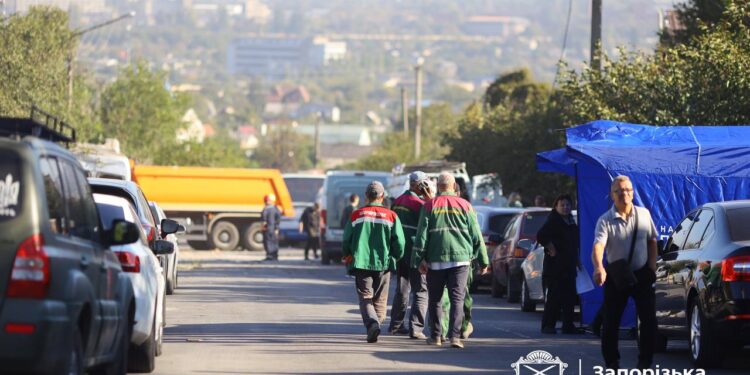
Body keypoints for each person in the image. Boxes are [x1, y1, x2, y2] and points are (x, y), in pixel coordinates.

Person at [412, 172, 489, 349]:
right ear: (454, 186)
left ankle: (436, 336)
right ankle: (455, 337)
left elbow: (421, 236)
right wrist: (484, 261)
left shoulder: (430, 205)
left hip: (436, 260)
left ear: (438, 187)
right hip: (461, 261)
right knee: (457, 299)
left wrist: (418, 259)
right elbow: (476, 235)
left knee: (435, 299)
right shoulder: (466, 205)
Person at [592, 175, 658, 370]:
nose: (624, 194)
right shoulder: (605, 220)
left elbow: (652, 241)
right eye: (619, 191)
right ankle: (612, 362)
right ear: (612, 195)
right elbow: (598, 246)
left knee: (648, 321)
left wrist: (652, 267)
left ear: (633, 192)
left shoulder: (644, 214)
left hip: (642, 274)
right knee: (611, 322)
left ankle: (645, 361)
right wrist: (599, 268)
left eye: (628, 190)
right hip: (617, 277)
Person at [342, 181, 405, 343]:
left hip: (361, 263)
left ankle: (372, 324)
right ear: (382, 196)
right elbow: (399, 242)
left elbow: (346, 239)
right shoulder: (392, 216)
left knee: (365, 297)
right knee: (380, 299)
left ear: (366, 196)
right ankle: (376, 322)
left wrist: (347, 254)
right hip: (384, 264)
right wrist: (396, 256)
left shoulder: (356, 215)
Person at [388, 171, 433, 339]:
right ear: (420, 185)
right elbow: (426, 229)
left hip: (400, 252)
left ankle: (396, 325)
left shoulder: (398, 200)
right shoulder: (420, 204)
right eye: (426, 183)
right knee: (421, 290)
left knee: (402, 289)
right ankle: (416, 329)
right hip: (415, 253)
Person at [536, 194, 580, 334]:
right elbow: (541, 235)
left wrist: (577, 260)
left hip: (569, 265)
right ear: (556, 206)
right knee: (554, 296)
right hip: (555, 267)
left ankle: (568, 325)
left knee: (569, 296)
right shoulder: (553, 221)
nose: (565, 207)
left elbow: (574, 243)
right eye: (562, 205)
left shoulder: (571, 222)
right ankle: (548, 325)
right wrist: (551, 247)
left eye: (567, 205)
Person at [262, 194, 282, 261]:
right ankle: (270, 255)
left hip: (272, 228)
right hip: (268, 228)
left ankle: (273, 255)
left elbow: (278, 219)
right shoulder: (267, 208)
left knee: (272, 241)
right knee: (268, 242)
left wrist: (276, 228)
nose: (266, 202)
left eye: (267, 200)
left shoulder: (274, 209)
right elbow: (263, 219)